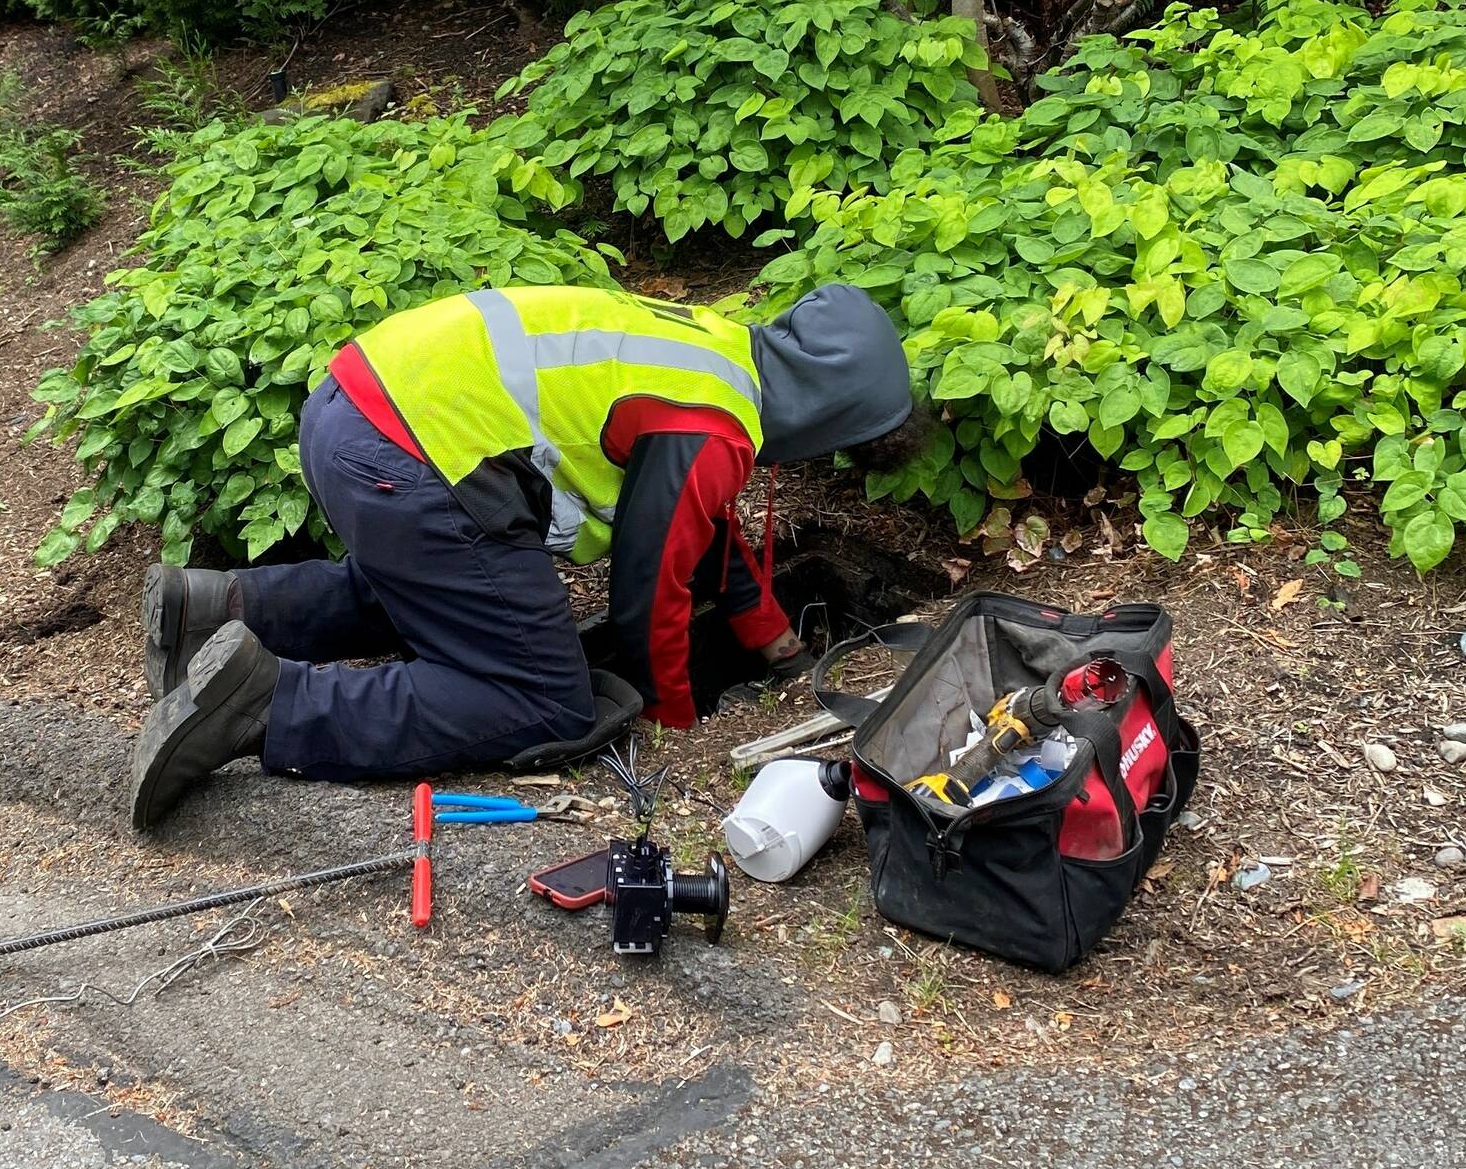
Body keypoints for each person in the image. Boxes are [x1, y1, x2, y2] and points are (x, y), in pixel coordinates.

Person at [128, 282, 930, 829]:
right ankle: (269, 706)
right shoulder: (712, 429)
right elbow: (649, 590)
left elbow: (707, 526)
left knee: (445, 584)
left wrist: (771, 639)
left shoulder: (715, 355)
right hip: (407, 460)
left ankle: (213, 610)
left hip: (352, 410)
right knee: (542, 697)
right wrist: (672, 713)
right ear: (832, 413)